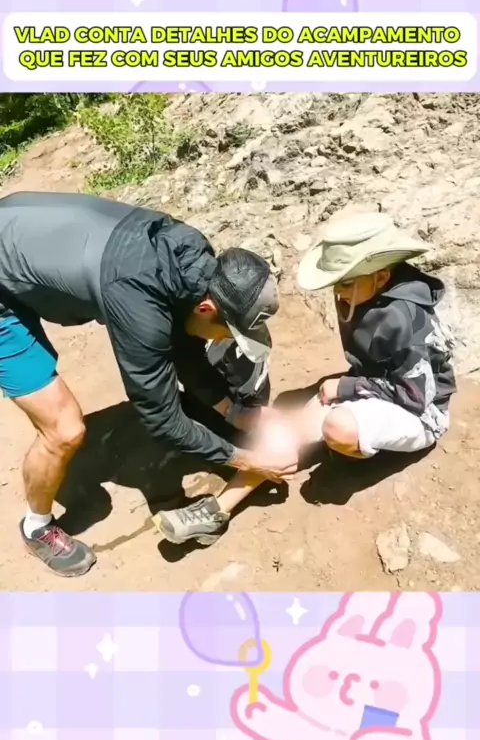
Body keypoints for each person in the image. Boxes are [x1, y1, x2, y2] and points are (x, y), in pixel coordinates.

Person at [0, 190, 298, 577]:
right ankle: (36, 527)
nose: (226, 340)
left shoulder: (194, 259)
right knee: (64, 429)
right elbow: (161, 418)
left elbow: (183, 340)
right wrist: (247, 460)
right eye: (229, 332)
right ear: (207, 307)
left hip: (21, 228)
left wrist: (236, 412)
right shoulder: (137, 303)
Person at [158, 211, 457, 545]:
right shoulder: (366, 294)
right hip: (378, 385)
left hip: (421, 412)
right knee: (292, 427)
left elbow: (416, 396)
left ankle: (360, 456)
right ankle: (218, 511)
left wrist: (347, 386)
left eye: (346, 282)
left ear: (382, 276)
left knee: (338, 427)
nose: (339, 291)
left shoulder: (407, 319)